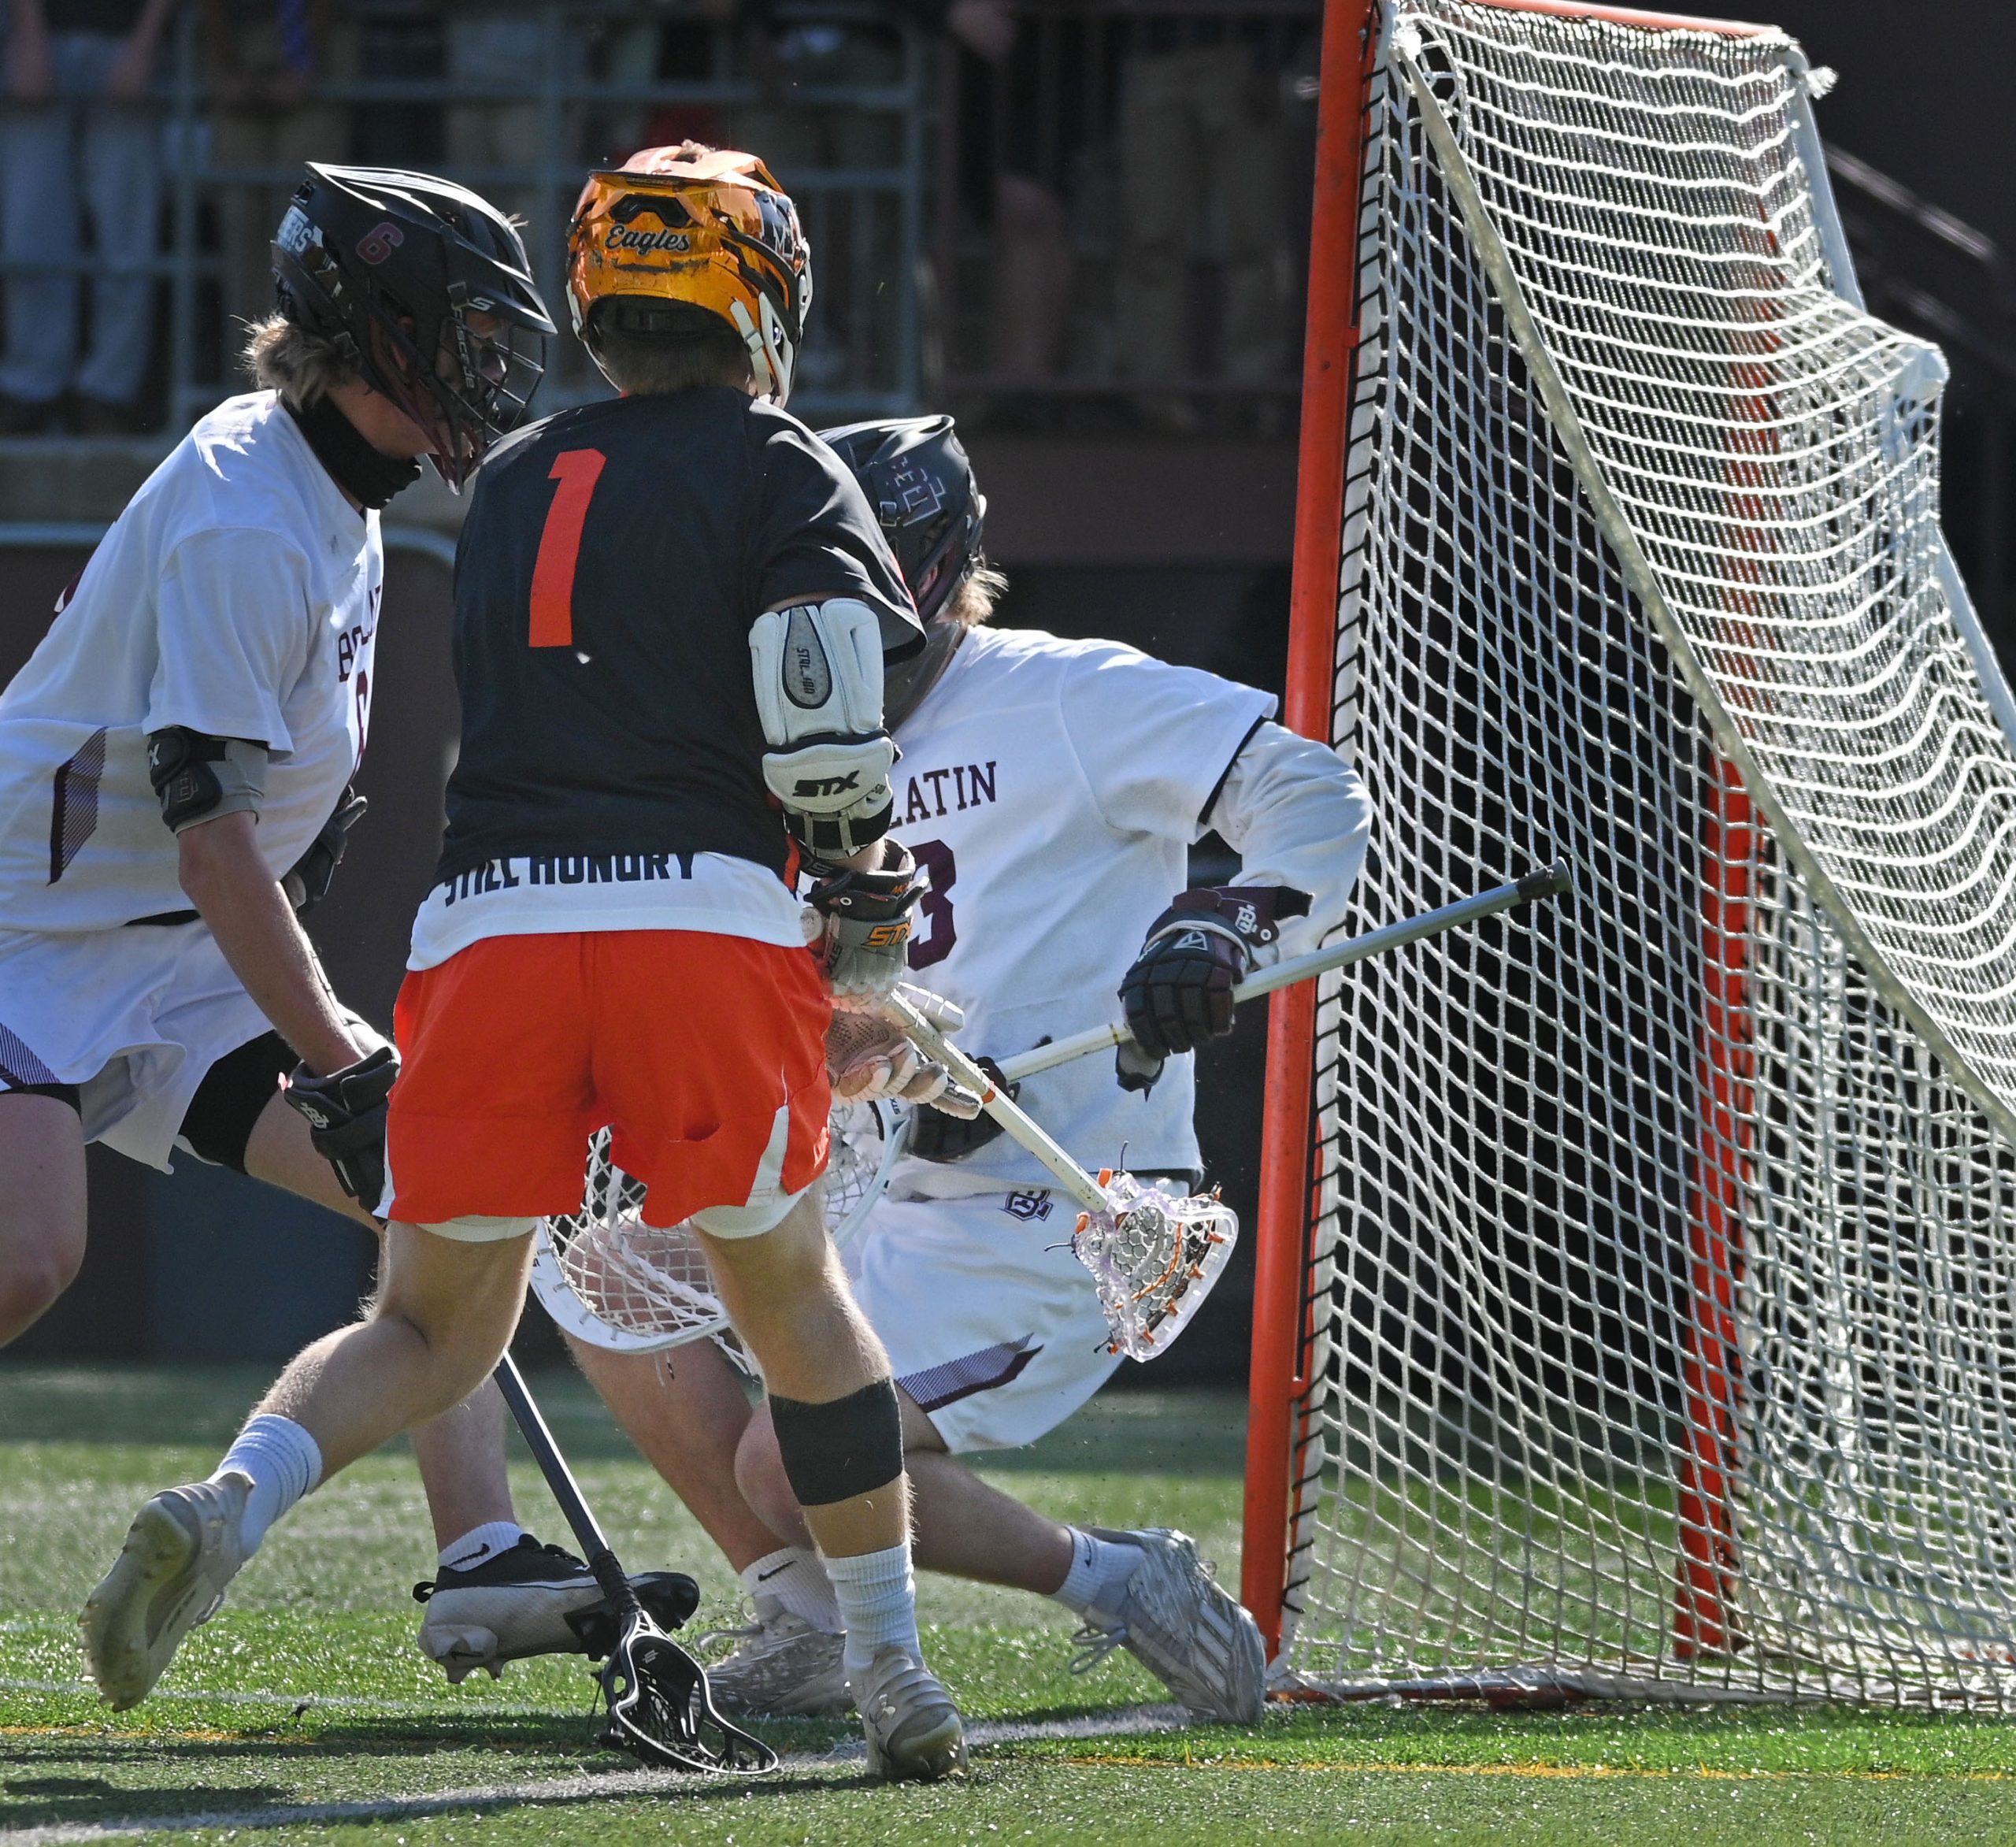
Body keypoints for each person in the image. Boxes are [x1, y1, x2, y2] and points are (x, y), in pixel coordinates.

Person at [83, 143, 973, 1785]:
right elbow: (826, 702)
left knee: (433, 1319)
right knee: (792, 1301)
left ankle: (232, 1498)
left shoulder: (512, 478)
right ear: (760, 290)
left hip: (484, 923)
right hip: (694, 913)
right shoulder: (780, 459)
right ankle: (893, 1665)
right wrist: (857, 946)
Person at [563, 414, 1373, 1722]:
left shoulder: (1064, 694)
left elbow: (1309, 790)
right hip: (865, 1187)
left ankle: (1119, 1582)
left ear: (924, 572)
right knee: (612, 1277)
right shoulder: (782, 744)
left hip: (1049, 1201)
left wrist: (1223, 921)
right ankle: (805, 1613)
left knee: (794, 1451)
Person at [0, 161, 654, 1684]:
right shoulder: (247, 514)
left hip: (162, 957)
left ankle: (480, 1557)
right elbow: (217, 838)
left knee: (450, 1188)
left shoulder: (334, 497)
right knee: (31, 1253)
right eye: (470, 336)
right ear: (374, 333)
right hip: (29, 934)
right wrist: (337, 1058)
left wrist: (364, 1085)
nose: (495, 370)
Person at [0, 0, 177, 432]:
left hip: (131, 39)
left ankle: (109, 393)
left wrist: (145, 42)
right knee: (29, 230)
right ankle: (30, 387)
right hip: (39, 38)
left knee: (127, 234)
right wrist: (28, 32)